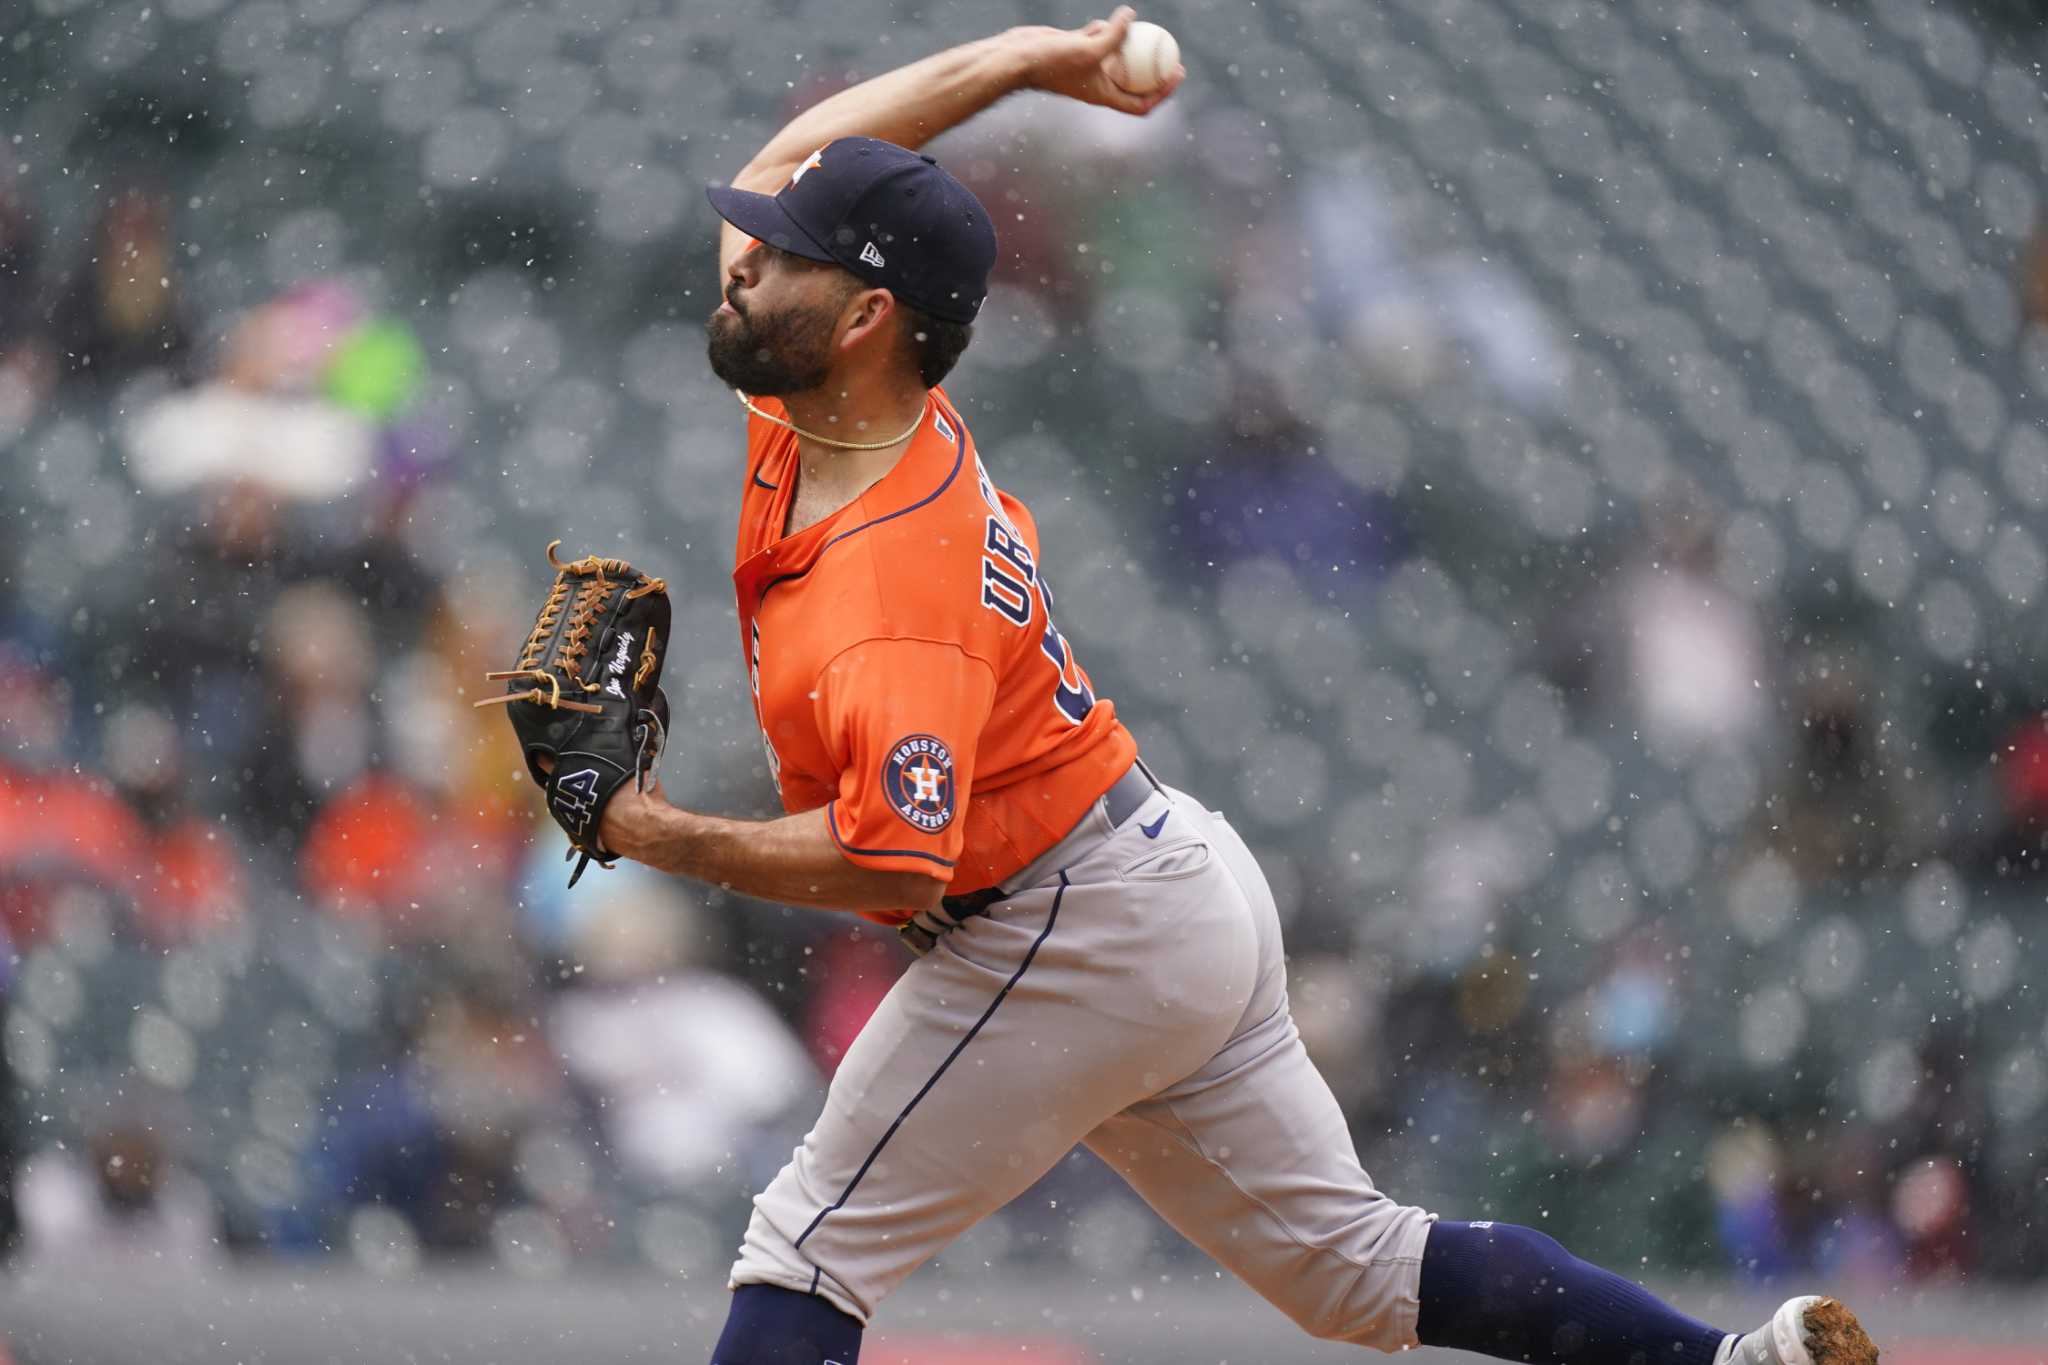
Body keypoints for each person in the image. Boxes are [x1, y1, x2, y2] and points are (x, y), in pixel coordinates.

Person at [589, 11, 1879, 1364]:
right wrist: (1032, 61)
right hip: (1159, 885)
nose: (739, 270)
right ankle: (1735, 1363)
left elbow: (894, 861)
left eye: (777, 258)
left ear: (864, 317)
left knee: (809, 1244)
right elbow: (814, 150)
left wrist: (646, 829)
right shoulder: (829, 383)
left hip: (1060, 926)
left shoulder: (895, 579)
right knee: (1360, 1275)